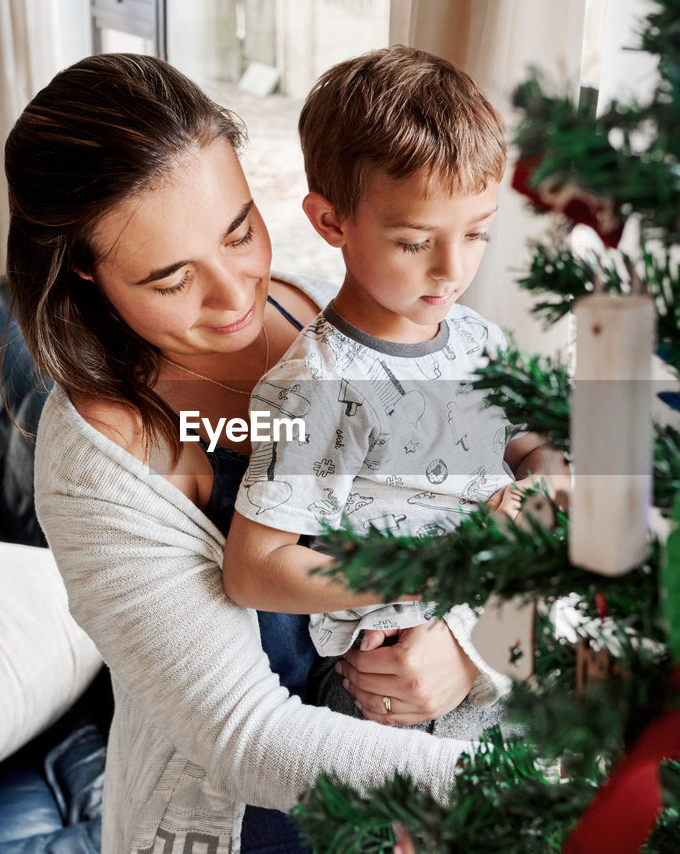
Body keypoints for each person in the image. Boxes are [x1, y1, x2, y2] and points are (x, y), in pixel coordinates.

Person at [6, 53, 510, 854]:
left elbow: (473, 497)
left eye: (240, 231)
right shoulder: (100, 459)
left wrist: (466, 651)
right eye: (172, 280)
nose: (239, 294)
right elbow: (243, 736)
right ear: (87, 277)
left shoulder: (323, 316)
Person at [222, 47, 567, 738]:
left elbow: (540, 454)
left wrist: (532, 503)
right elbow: (253, 570)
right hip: (393, 688)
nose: (453, 269)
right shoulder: (318, 387)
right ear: (331, 222)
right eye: (415, 242)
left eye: (476, 234)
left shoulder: (475, 340)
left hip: (502, 634)